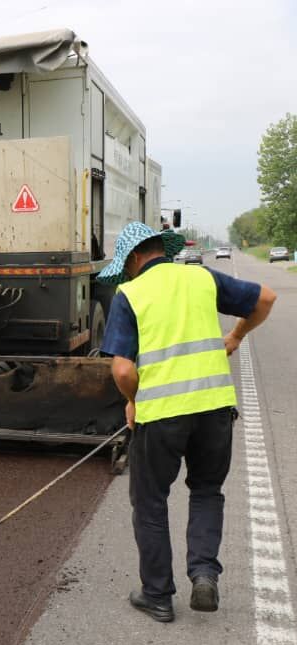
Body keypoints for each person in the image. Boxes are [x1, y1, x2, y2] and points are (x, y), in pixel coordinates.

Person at [98, 221, 276, 623]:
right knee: (207, 490)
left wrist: (132, 401)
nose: (124, 273)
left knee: (150, 500)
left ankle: (157, 595)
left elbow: (123, 371)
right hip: (215, 409)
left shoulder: (130, 293)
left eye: (124, 266)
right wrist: (235, 337)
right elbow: (265, 299)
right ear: (163, 248)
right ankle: (204, 574)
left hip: (161, 416)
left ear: (134, 258)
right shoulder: (201, 277)